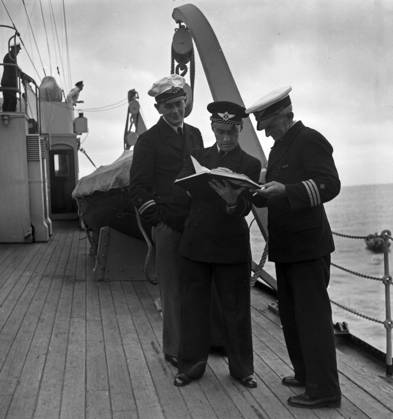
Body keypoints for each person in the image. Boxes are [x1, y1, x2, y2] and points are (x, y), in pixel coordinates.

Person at [246, 86, 342, 408]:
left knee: (312, 319)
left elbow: (330, 184)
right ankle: (305, 375)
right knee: (292, 316)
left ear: (286, 114)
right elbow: (277, 190)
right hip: (287, 248)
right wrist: (255, 192)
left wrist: (286, 191)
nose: (267, 132)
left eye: (269, 125)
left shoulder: (309, 140)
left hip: (309, 247)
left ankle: (325, 390)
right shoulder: (278, 150)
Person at [174, 101, 261, 388]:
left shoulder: (250, 164)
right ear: (212, 127)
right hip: (197, 242)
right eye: (221, 131)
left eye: (232, 132)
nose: (226, 138)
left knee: (236, 309)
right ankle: (191, 366)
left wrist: (233, 201)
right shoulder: (195, 157)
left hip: (231, 245)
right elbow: (183, 189)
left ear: (240, 129)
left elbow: (248, 205)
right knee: (193, 308)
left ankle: (242, 369)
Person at [129, 74, 204, 367]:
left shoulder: (196, 134)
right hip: (168, 225)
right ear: (159, 109)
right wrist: (158, 220)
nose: (175, 110)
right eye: (169, 106)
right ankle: (174, 350)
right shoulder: (148, 141)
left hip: (195, 224)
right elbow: (138, 187)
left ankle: (198, 344)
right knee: (172, 290)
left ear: (185, 102)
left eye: (179, 103)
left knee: (196, 287)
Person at [1, 43, 34, 112]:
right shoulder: (9, 57)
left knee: (11, 102)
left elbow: (16, 69)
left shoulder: (12, 57)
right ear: (14, 49)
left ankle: (7, 117)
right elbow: (15, 70)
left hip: (10, 84)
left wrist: (23, 75)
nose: (18, 52)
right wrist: (24, 76)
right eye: (18, 50)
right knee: (10, 102)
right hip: (8, 83)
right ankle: (6, 118)